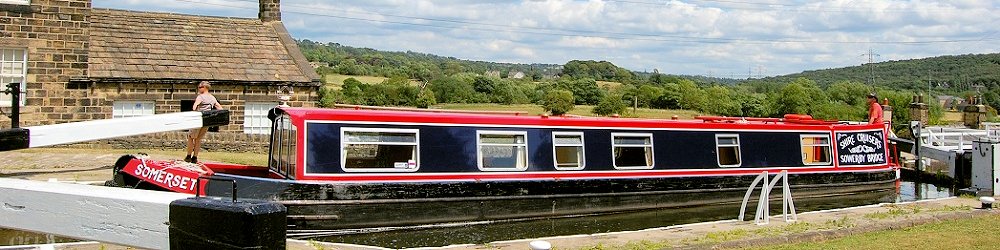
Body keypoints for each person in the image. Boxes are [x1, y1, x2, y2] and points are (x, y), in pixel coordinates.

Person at [185, 81, 223, 163]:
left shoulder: (200, 97)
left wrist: (195, 109)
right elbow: (219, 107)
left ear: (204, 88)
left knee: (191, 137)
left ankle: (188, 156)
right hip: (207, 121)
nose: (198, 89)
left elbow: (195, 106)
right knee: (198, 139)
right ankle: (195, 157)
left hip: (198, 119)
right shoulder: (212, 98)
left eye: (199, 87)